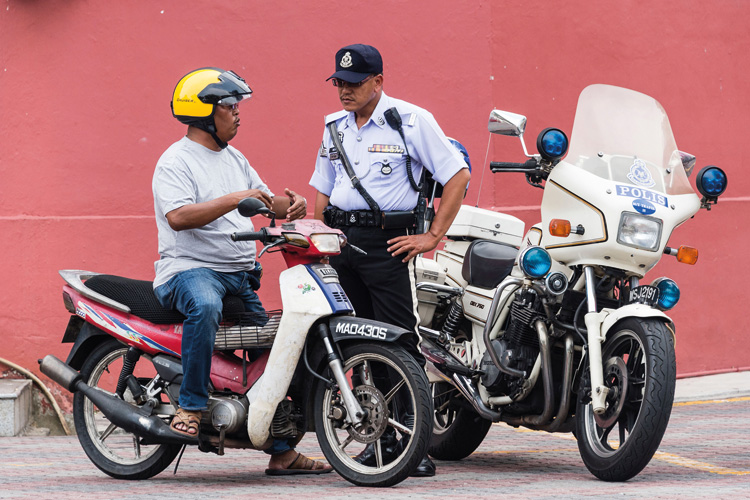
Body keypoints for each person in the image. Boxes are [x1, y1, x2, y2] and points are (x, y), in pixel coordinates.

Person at [153, 67, 330, 475]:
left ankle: (281, 449)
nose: (237, 113)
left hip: (238, 274)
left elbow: (263, 202)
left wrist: (292, 206)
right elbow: (178, 217)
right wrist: (235, 199)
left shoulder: (234, 158)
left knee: (280, 347)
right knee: (204, 307)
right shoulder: (175, 161)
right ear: (204, 113)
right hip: (190, 270)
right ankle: (191, 407)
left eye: (237, 105)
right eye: (229, 105)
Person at [309, 44, 471, 477]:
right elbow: (324, 186)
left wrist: (432, 235)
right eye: (339, 82)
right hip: (342, 244)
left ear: (378, 81)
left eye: (354, 83)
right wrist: (321, 239)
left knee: (397, 341)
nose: (344, 90)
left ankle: (414, 443)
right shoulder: (334, 127)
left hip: (388, 244)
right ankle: (379, 439)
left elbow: (457, 175)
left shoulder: (411, 121)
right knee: (355, 342)